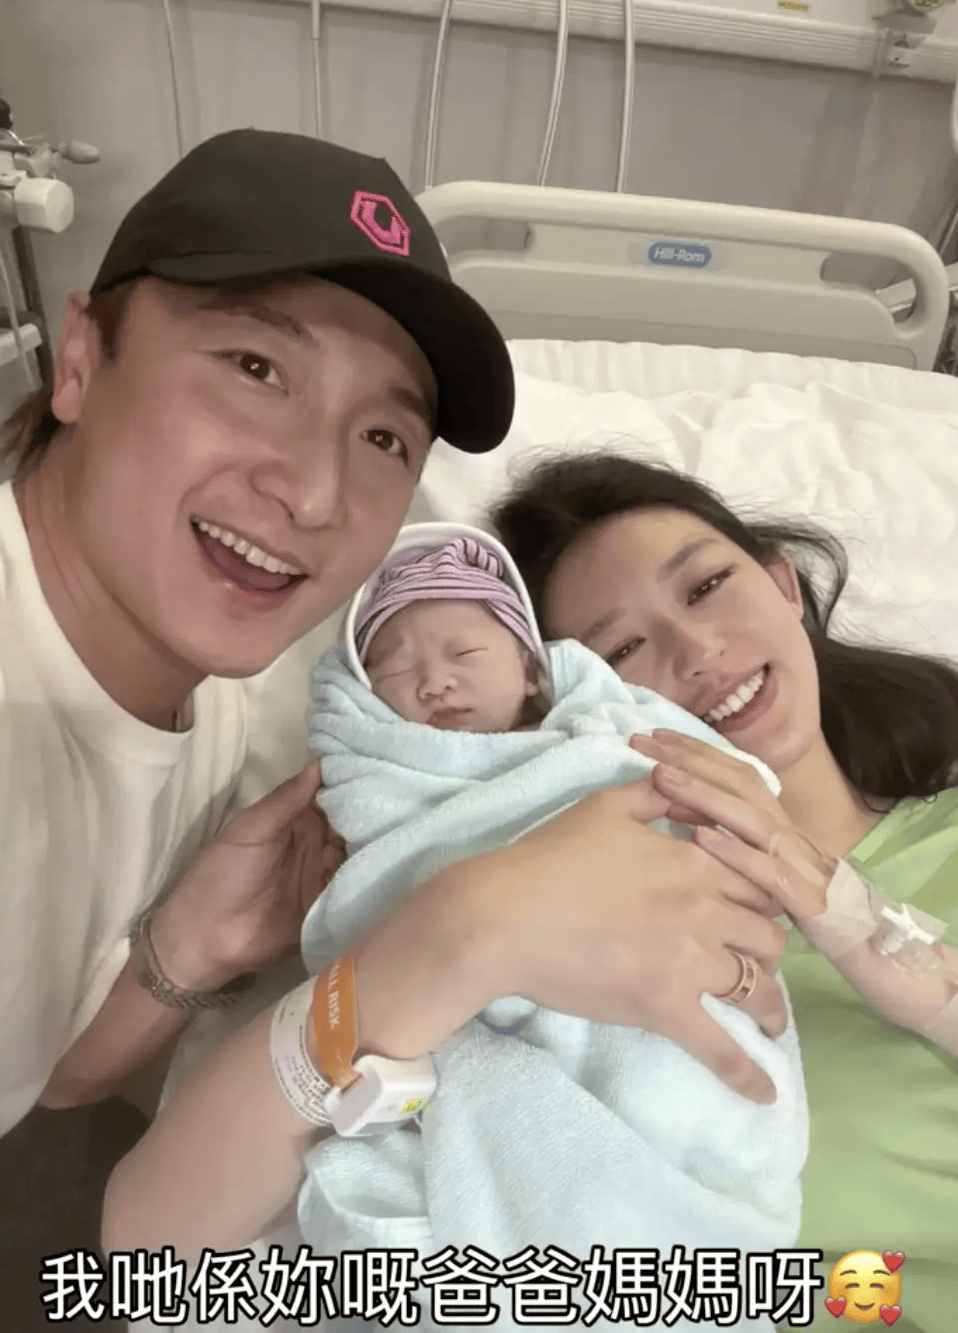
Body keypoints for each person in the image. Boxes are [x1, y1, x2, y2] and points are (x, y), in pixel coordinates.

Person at [1, 128, 785, 1322]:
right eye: (255, 366)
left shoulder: (236, 704)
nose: (315, 493)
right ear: (76, 358)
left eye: (382, 437)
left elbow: (43, 1081)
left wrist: (182, 954)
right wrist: (464, 928)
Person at [297, 520, 806, 1331]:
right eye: (393, 669)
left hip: (668, 1031)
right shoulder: (399, 790)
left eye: (465, 652)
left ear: (535, 669)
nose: (434, 682)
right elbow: (381, 895)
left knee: (675, 1104)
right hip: (477, 1021)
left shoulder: (604, 741)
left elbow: (685, 802)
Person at [490, 452, 958, 1333]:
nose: (697, 651)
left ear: (785, 587)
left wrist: (868, 932)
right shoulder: (606, 967)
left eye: (706, 586)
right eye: (623, 649)